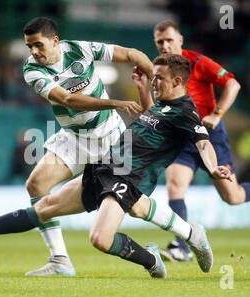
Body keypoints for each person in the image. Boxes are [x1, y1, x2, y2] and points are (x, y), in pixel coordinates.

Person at [0, 54, 232, 279]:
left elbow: (203, 143)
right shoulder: (161, 104)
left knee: (100, 238)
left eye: (158, 78)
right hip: (106, 165)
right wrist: (145, 90)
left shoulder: (186, 110)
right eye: (153, 77)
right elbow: (152, 122)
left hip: (128, 176)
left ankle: (171, 247)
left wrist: (215, 167)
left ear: (178, 81)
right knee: (44, 208)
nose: (154, 81)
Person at [20, 17, 154, 276]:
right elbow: (68, 99)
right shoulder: (32, 70)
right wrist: (116, 103)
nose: (34, 52)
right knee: (36, 185)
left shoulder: (82, 49)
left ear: (55, 41)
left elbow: (132, 54)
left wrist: (154, 76)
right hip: (75, 137)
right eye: (29, 47)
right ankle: (60, 260)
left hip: (109, 136)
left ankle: (190, 233)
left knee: (137, 207)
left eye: (38, 45)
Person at [151, 21, 250, 262]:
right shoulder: (158, 69)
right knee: (175, 185)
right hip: (182, 138)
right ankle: (180, 246)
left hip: (210, 137)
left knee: (233, 197)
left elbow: (233, 83)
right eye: (160, 41)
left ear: (181, 40)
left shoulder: (199, 63)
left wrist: (218, 113)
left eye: (170, 39)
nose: (165, 45)